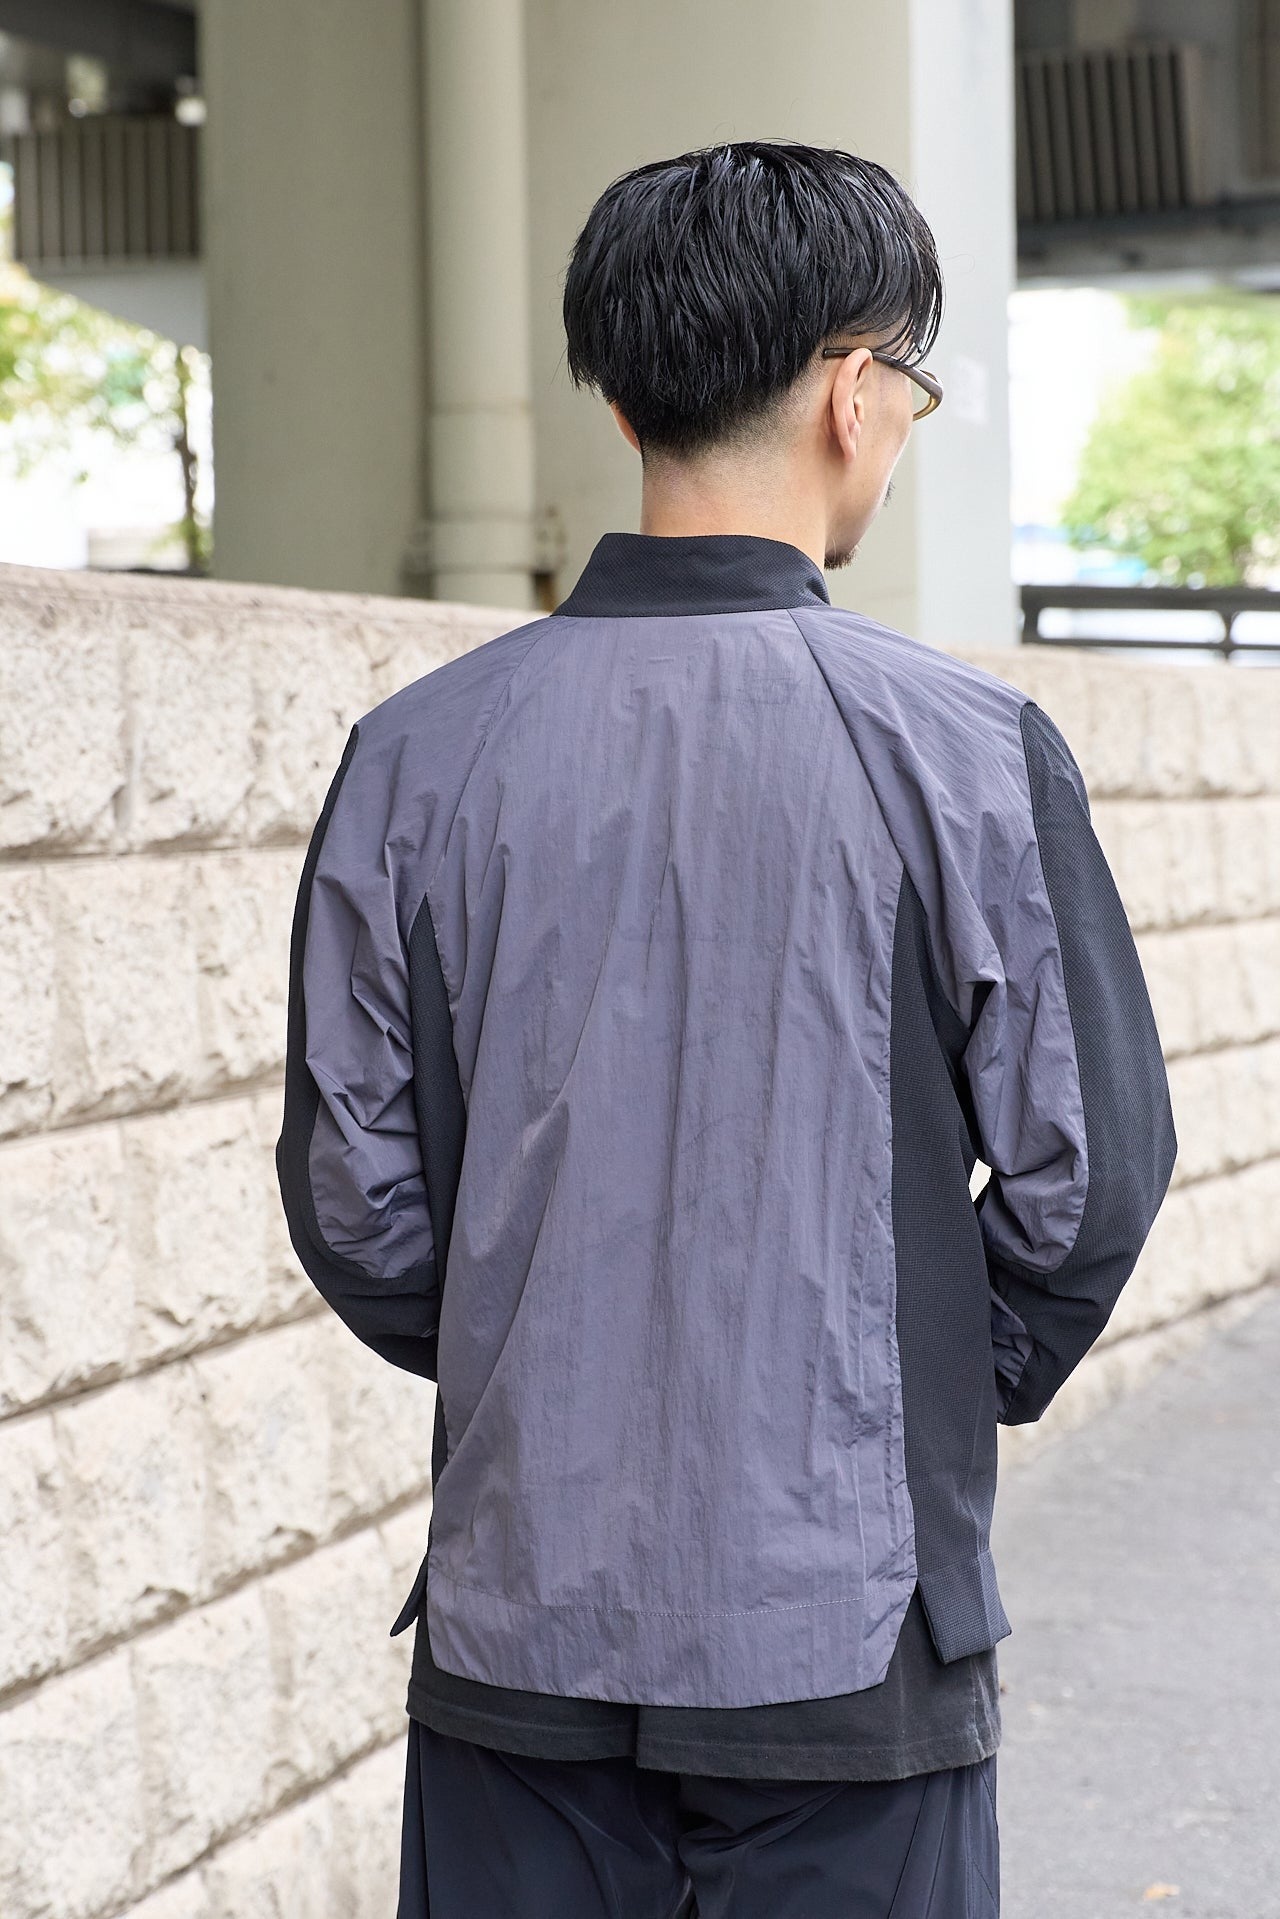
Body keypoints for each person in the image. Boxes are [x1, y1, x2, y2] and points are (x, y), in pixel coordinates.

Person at [276, 141, 1178, 1918]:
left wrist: (548, 1362)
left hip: (520, 1625)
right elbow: (1089, 1185)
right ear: (854, 391)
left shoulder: (416, 758)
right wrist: (908, 1386)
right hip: (848, 1635)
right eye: (910, 388)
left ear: (624, 402)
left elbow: (354, 1204)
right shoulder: (964, 755)